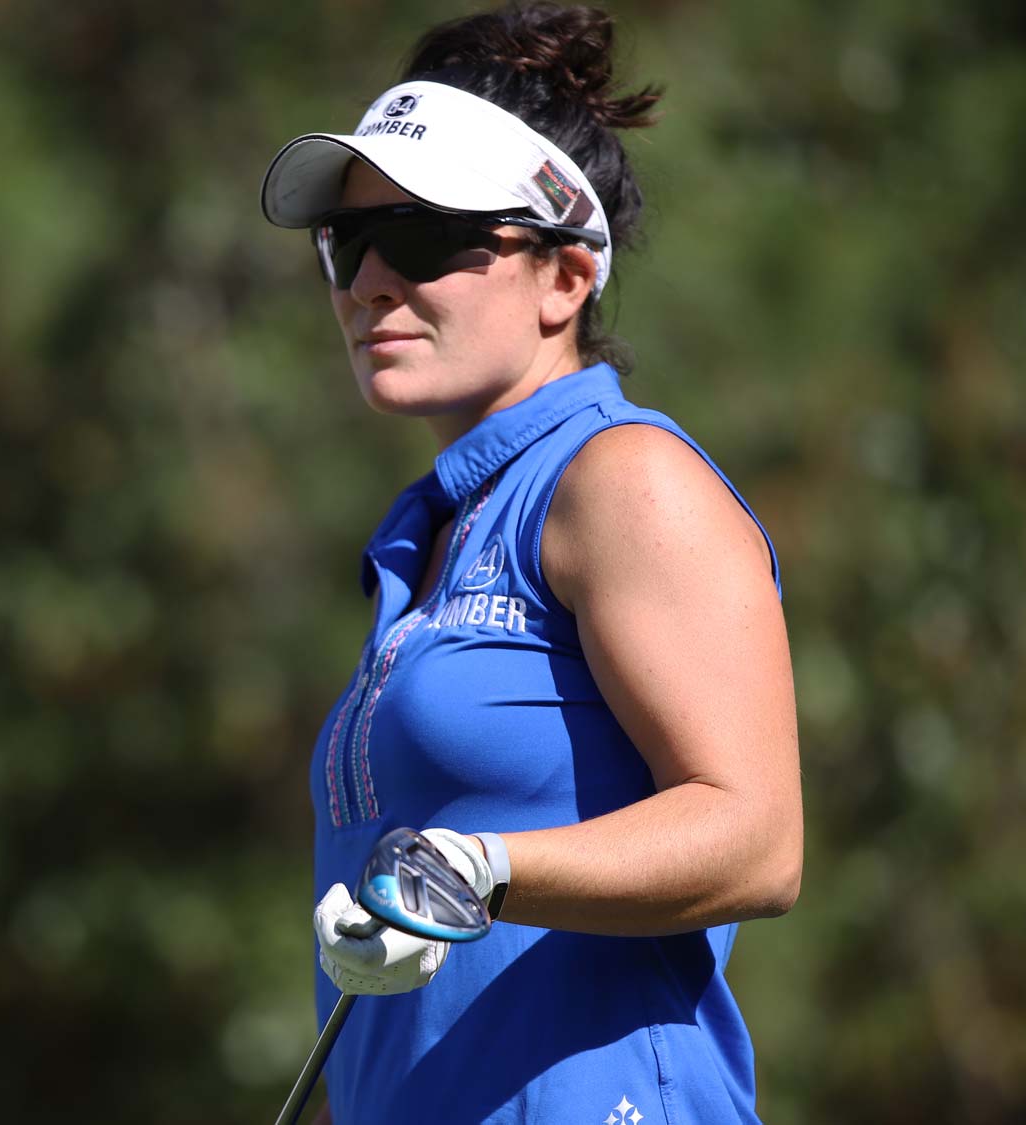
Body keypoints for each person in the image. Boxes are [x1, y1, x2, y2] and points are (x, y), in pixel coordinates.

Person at [258, 4, 803, 1122]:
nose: (364, 286)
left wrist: (484, 870)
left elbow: (756, 839)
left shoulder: (620, 480)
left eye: (419, 240)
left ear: (563, 276)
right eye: (345, 244)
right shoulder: (431, 536)